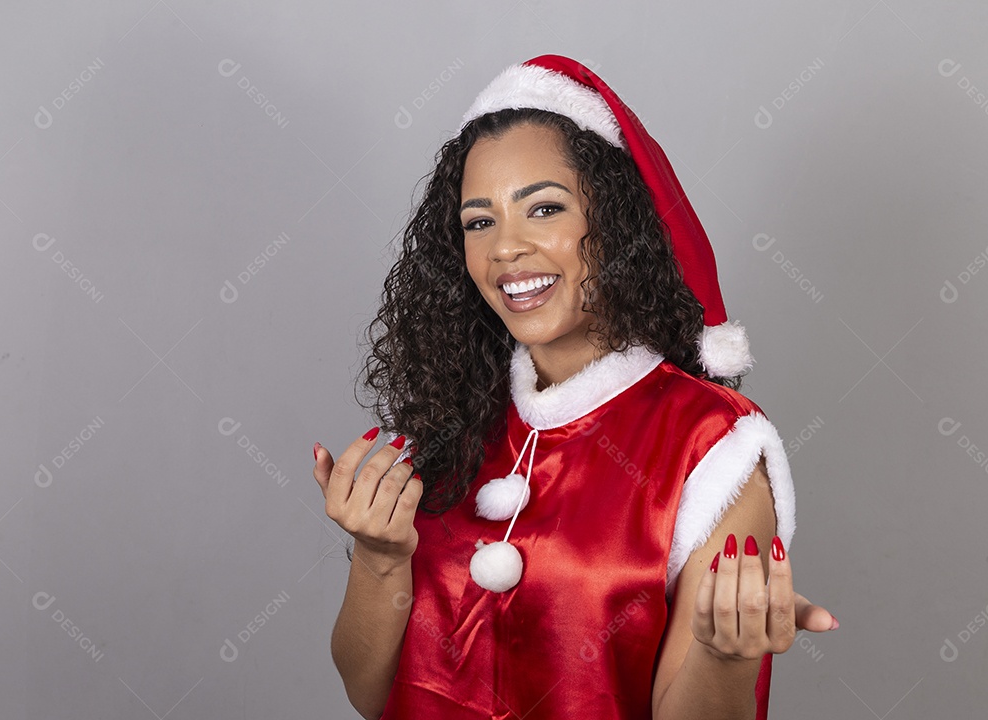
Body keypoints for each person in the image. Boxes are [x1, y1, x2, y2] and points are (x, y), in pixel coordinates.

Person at [312, 55, 837, 720]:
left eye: (544, 209)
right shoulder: (450, 411)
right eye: (480, 221)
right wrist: (380, 557)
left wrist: (724, 655)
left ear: (614, 221)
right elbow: (371, 695)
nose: (506, 247)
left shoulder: (713, 448)